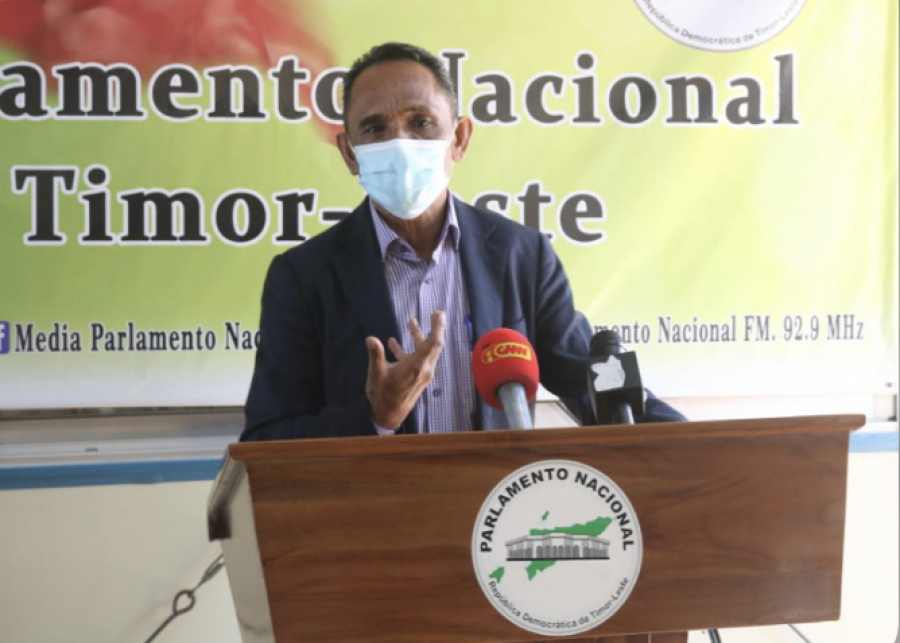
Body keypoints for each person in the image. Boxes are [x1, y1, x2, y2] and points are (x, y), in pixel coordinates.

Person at [241, 43, 683, 442]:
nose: (400, 143)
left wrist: (699, 446)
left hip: (503, 504)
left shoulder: (522, 256)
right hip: (376, 505)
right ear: (349, 152)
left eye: (421, 122)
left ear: (459, 138)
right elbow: (266, 438)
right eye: (374, 128)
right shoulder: (303, 276)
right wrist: (376, 416)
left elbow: (598, 389)